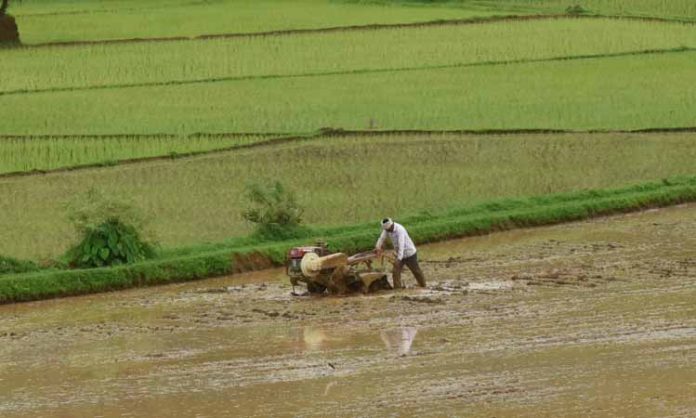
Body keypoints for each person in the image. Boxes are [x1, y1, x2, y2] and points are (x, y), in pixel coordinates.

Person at [375, 218, 426, 289]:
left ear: (392, 225)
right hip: (399, 254)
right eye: (386, 230)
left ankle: (423, 285)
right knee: (396, 271)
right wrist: (377, 247)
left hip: (409, 253)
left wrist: (398, 259)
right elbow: (381, 238)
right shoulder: (387, 229)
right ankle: (397, 289)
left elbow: (401, 245)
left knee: (416, 271)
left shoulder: (400, 230)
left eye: (388, 230)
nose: (387, 231)